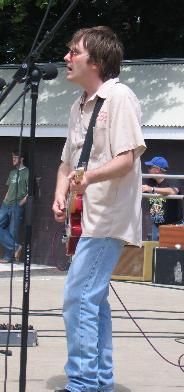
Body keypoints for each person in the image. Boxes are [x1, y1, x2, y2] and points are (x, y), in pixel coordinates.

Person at [52, 26, 146, 392]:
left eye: (73, 51)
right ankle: (100, 382)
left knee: (77, 299)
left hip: (107, 218)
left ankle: (82, 384)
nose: (66, 57)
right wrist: (61, 194)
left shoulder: (119, 97)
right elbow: (65, 163)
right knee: (94, 301)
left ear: (96, 60)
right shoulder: (78, 106)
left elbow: (126, 160)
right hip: (86, 217)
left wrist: (88, 179)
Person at [142, 156, 184, 241]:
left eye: (150, 167)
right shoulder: (150, 181)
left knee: (173, 253)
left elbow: (173, 191)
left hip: (173, 226)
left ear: (157, 170)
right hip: (156, 227)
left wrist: (152, 189)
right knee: (156, 253)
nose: (148, 170)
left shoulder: (172, 180)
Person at [0, 149, 29, 263]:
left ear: (21, 159)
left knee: (12, 231)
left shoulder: (27, 172)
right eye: (12, 158)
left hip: (17, 205)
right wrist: (5, 200)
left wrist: (21, 203)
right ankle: (16, 247)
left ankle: (8, 257)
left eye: (15, 158)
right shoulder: (12, 173)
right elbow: (9, 189)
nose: (13, 160)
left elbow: (30, 192)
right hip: (6, 204)